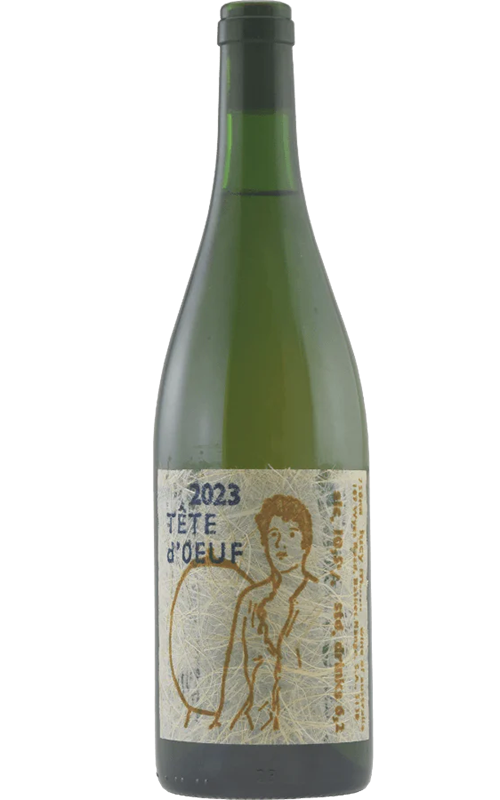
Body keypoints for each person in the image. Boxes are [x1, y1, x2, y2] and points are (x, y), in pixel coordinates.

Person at [210, 494, 318, 733]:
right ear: (265, 543)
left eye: (292, 534)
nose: (281, 544)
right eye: (273, 535)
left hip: (305, 723)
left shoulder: (321, 600)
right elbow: (234, 668)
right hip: (253, 721)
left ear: (306, 542)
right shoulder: (251, 600)